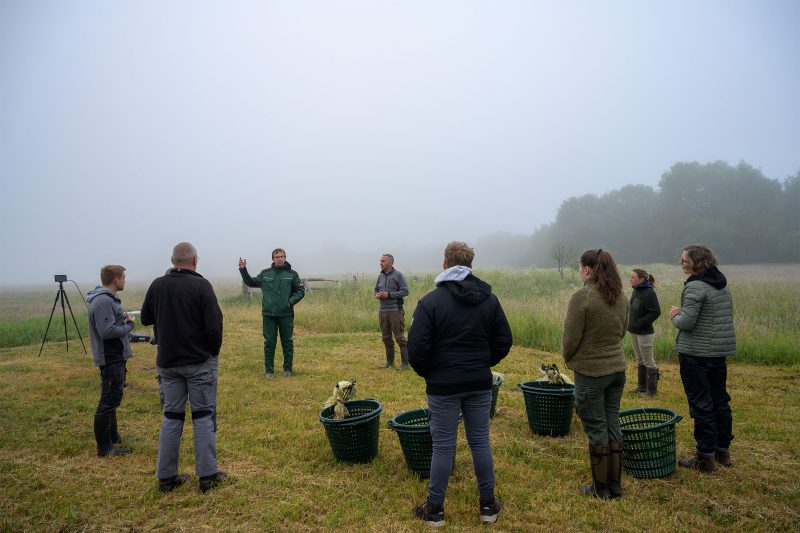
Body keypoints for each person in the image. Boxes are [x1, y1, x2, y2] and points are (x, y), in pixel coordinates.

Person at [408, 242, 512, 526]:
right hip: (479, 382)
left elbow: (416, 350)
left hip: (443, 385)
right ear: (471, 265)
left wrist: (433, 372)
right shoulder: (489, 300)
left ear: (444, 264)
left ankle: (435, 510)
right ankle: (488, 506)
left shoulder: (430, 302)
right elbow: (504, 340)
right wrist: (482, 363)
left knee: (442, 446)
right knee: (480, 442)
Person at [141, 242, 226, 493]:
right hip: (198, 363)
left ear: (172, 260)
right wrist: (211, 351)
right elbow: (214, 327)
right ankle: (207, 476)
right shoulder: (201, 285)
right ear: (194, 260)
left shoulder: (158, 285)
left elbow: (146, 318)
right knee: (202, 416)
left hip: (168, 363)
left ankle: (166, 478)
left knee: (171, 417)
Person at [563, 249, 629, 499]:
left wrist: (570, 359)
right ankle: (615, 485)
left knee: (596, 428)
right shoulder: (621, 296)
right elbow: (623, 330)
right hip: (617, 370)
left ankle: (601, 489)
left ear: (588, 270)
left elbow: (570, 339)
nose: (580, 272)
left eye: (580, 267)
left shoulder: (583, 297)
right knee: (612, 424)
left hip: (591, 372)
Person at [670, 244, 736, 473]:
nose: (682, 264)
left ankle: (705, 457)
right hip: (718, 354)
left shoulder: (696, 287)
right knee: (720, 400)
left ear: (697, 263)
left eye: (684, 261)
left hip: (696, 355)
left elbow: (687, 323)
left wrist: (675, 315)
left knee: (701, 403)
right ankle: (722, 451)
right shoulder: (720, 285)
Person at [86, 265, 136, 457]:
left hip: (115, 355)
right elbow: (107, 332)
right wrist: (129, 325)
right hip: (110, 357)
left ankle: (113, 437)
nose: (124, 281)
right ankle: (105, 448)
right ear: (116, 279)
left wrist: (121, 318)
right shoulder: (103, 302)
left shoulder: (106, 301)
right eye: (123, 277)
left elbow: (109, 324)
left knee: (113, 396)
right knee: (108, 400)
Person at [239, 248, 305, 378]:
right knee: (269, 343)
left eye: (281, 256)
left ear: (285, 258)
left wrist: (290, 302)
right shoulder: (265, 274)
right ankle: (269, 372)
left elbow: (300, 291)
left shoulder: (292, 274)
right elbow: (250, 282)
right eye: (277, 257)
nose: (279, 258)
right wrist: (243, 270)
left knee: (287, 342)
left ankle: (288, 370)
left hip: (286, 314)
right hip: (269, 314)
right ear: (273, 259)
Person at [628, 269, 662, 397]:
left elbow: (656, 312)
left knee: (648, 361)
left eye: (633, 277)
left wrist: (640, 322)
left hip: (645, 333)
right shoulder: (636, 290)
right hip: (634, 332)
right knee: (640, 360)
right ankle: (642, 387)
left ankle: (651, 391)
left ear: (641, 279)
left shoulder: (649, 293)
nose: (630, 279)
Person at [374, 253, 410, 369]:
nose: (381, 263)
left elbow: (405, 291)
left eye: (383, 261)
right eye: (380, 261)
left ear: (390, 263)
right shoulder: (380, 276)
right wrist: (377, 295)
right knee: (386, 337)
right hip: (382, 310)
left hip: (395, 311)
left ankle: (405, 363)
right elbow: (376, 290)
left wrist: (389, 295)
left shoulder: (398, 275)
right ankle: (389, 363)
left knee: (399, 337)